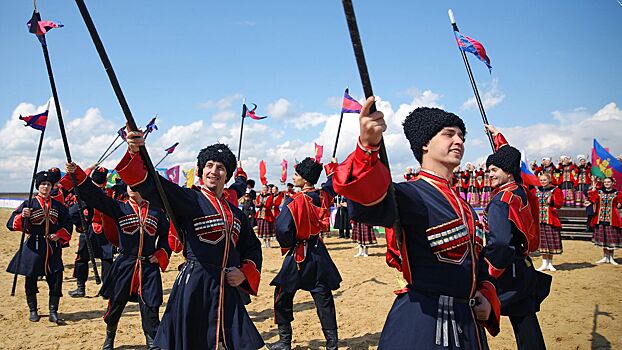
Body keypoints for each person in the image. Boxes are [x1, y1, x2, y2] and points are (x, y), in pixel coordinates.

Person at [332, 101, 500, 349]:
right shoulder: (408, 195)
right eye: (448, 134)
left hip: (469, 325)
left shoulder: (465, 207)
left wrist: (485, 293)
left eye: (461, 136)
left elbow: (476, 259)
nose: (459, 141)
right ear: (424, 144)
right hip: (426, 323)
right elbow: (363, 198)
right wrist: (367, 147)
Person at [118, 132, 264, 350]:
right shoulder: (190, 199)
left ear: (228, 175)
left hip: (227, 290)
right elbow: (153, 186)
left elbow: (252, 247)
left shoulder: (236, 213)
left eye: (221, 167)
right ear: (200, 170)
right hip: (195, 286)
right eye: (209, 165)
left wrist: (244, 272)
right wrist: (135, 151)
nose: (214, 171)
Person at [64, 162, 172, 349]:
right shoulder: (119, 208)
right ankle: (110, 337)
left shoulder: (156, 212)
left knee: (151, 308)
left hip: (148, 267)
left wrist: (161, 253)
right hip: (125, 265)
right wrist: (79, 175)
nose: (131, 188)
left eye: (135, 185)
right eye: (129, 185)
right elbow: (95, 195)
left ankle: (152, 342)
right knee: (115, 306)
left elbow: (166, 236)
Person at [483, 124, 551, 350]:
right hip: (523, 268)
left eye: (494, 170)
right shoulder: (521, 191)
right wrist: (498, 138)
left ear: (509, 172)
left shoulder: (501, 201)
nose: (490, 174)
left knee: (474, 312)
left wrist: (488, 271)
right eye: (488, 170)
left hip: (506, 273)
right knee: (527, 327)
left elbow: (501, 243)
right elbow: (511, 157)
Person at [270, 157, 341, 350]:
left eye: (296, 174)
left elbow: (283, 229)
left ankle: (285, 342)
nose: (294, 177)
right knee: (323, 297)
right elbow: (332, 184)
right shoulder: (323, 196)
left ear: (304, 178)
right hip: (319, 253)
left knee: (282, 295)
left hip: (298, 255)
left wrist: (289, 244)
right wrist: (332, 167)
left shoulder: (295, 201)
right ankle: (332, 344)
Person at [6, 171, 72, 325]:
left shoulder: (58, 205)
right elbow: (11, 224)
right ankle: (33, 310)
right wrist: (22, 216)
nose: (45, 187)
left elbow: (68, 223)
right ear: (38, 186)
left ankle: (53, 312)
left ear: (52, 187)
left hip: (52, 247)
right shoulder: (29, 204)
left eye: (48, 184)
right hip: (34, 246)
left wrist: (59, 235)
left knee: (56, 278)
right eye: (42, 184)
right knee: (31, 278)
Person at [65, 166, 116, 298]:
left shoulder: (88, 194)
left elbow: (73, 212)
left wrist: (81, 227)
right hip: (107, 230)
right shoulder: (109, 193)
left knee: (82, 259)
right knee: (107, 259)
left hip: (90, 230)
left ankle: (81, 288)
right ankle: (107, 291)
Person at [587, 177, 622, 265]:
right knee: (603, 238)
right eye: (605, 182)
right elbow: (592, 199)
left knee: (611, 238)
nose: (606, 183)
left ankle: (611, 257)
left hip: (612, 218)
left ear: (613, 183)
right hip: (600, 217)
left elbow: (619, 205)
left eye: (608, 182)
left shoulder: (617, 193)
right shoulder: (599, 192)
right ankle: (605, 256)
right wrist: (594, 187)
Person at [533, 173, 564, 271]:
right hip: (539, 219)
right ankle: (544, 263)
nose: (542, 182)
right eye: (541, 180)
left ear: (549, 180)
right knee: (542, 242)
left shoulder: (555, 190)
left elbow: (559, 204)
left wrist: (552, 200)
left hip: (550, 219)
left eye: (544, 180)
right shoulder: (536, 190)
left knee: (550, 241)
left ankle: (550, 263)